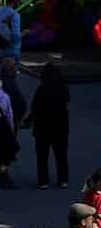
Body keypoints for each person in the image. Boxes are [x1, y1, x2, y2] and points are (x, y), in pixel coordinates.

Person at [26, 61, 71, 189]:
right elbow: (67, 101)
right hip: (60, 127)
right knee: (61, 155)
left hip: (42, 128)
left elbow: (35, 108)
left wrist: (29, 121)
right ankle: (63, 179)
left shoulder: (41, 90)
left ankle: (43, 181)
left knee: (42, 156)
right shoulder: (63, 88)